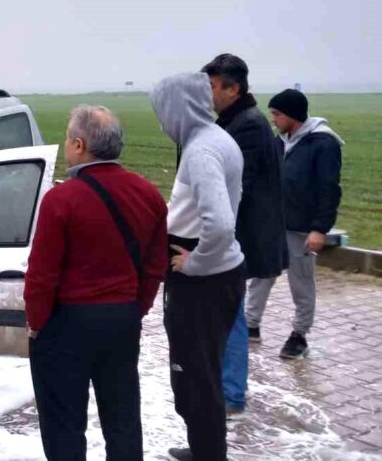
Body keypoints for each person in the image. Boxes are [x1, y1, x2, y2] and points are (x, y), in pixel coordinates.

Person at [25, 105, 167, 461]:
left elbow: (42, 274)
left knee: (64, 424)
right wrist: (137, 307)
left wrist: (37, 323)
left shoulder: (61, 200)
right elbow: (155, 264)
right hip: (121, 320)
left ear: (78, 144)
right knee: (122, 417)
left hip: (66, 325)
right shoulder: (148, 194)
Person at [151, 73, 246, 461]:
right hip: (218, 275)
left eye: (162, 110)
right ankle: (205, 448)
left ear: (178, 107)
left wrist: (195, 263)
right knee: (202, 369)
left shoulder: (201, 151)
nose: (161, 120)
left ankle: (209, 454)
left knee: (195, 374)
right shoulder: (215, 138)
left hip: (202, 281)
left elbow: (220, 223)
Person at [201, 54, 287, 415]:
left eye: (212, 88)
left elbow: (238, 186)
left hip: (244, 238)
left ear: (233, 89)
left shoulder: (247, 125)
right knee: (229, 311)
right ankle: (229, 389)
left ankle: (231, 394)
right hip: (241, 235)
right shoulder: (237, 119)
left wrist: (215, 232)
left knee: (230, 312)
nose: (208, 96)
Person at [247, 89, 343, 360]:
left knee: (301, 282)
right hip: (273, 223)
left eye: (277, 114)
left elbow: (329, 189)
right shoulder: (279, 142)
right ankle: (250, 325)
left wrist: (319, 228)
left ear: (292, 115)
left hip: (303, 228)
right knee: (261, 274)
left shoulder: (324, 144)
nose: (273, 119)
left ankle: (299, 335)